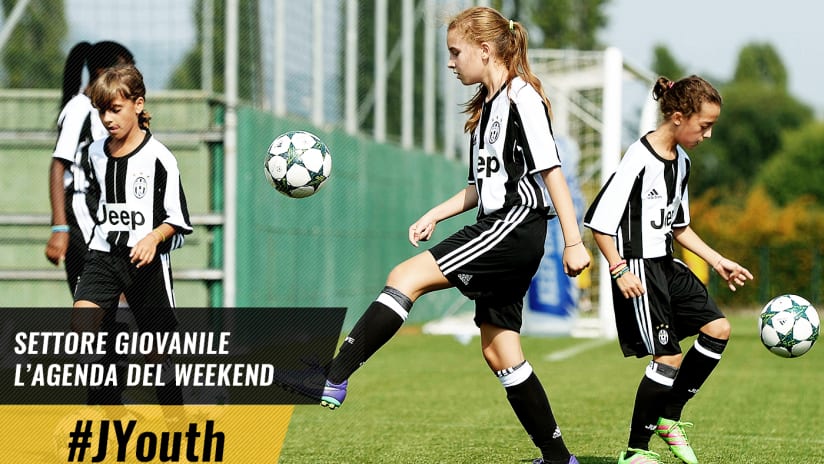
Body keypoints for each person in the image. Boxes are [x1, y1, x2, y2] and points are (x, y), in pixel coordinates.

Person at [320, 7, 589, 464]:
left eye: (455, 52)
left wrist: (573, 240)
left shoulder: (522, 98)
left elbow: (552, 172)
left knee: (405, 277)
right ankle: (559, 458)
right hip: (505, 226)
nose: (450, 62)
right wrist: (435, 215)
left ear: (484, 50)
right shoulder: (486, 110)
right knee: (500, 352)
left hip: (513, 225)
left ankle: (333, 374)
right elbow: (478, 188)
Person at [583, 75, 754, 464]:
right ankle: (634, 452)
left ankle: (669, 416)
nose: (708, 135)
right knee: (669, 357)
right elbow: (600, 222)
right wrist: (618, 269)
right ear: (678, 117)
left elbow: (679, 227)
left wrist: (718, 260)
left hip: (667, 265)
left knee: (718, 328)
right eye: (704, 125)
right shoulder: (638, 158)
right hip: (638, 268)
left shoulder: (683, 164)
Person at [73, 64, 192, 406]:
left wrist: (153, 238)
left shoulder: (160, 158)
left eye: (115, 109)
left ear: (138, 105)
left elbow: (178, 219)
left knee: (157, 354)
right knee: (82, 328)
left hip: (145, 263)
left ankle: (175, 419)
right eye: (102, 111)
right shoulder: (94, 153)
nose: (108, 119)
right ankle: (108, 405)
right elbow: (95, 200)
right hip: (103, 257)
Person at [46, 41, 135, 296]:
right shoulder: (80, 109)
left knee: (97, 298)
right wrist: (60, 228)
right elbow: (58, 166)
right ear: (101, 72)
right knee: (112, 288)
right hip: (83, 209)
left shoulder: (107, 113)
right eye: (125, 72)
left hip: (104, 210)